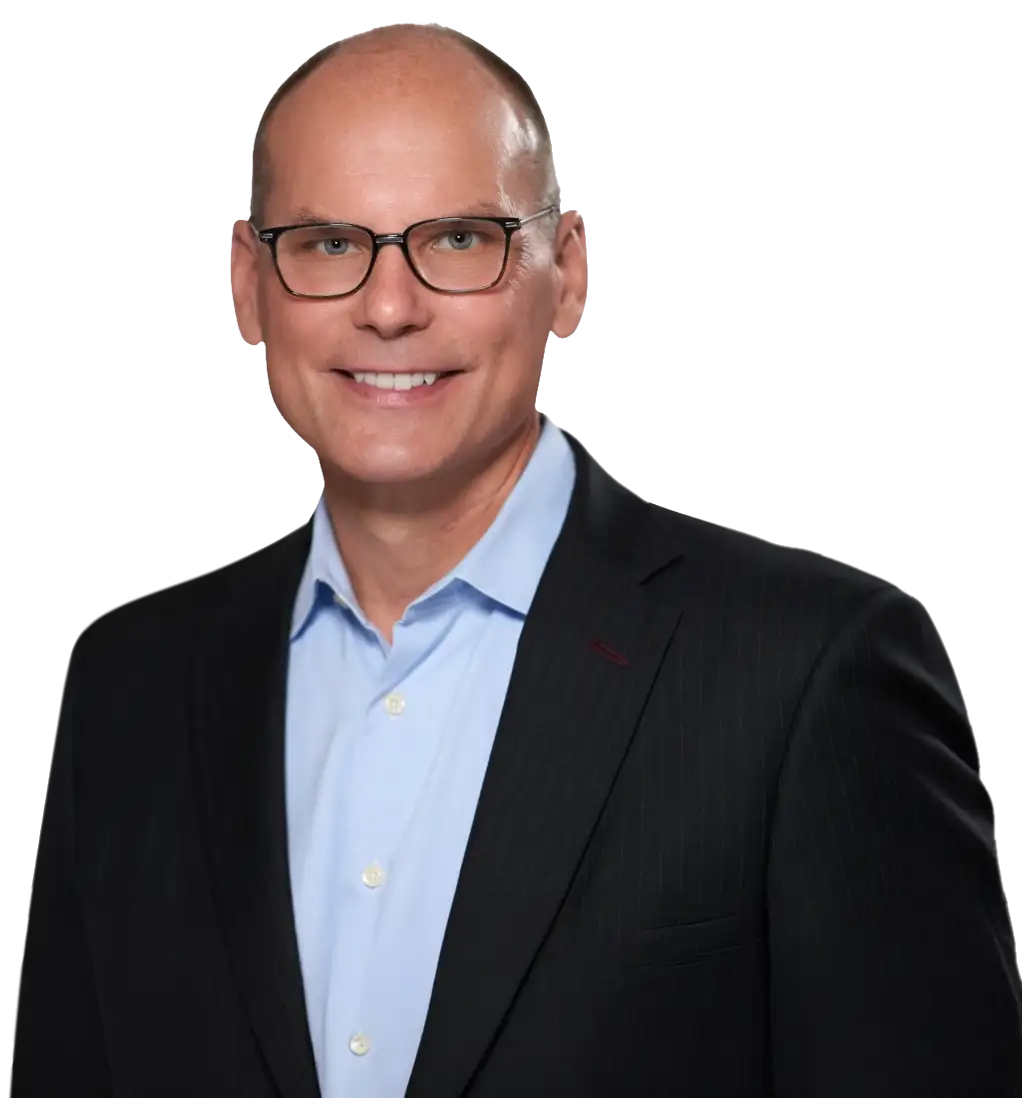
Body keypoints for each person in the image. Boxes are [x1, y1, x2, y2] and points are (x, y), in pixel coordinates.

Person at [10, 21, 1021, 1098]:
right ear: (248, 286)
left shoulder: (808, 672)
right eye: (328, 244)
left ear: (566, 273)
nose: (388, 308)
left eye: (458, 239)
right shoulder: (125, 687)